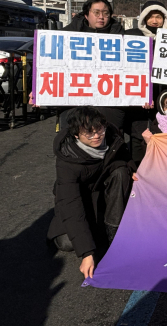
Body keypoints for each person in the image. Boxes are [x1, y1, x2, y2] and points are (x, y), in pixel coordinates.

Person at [46, 106, 138, 279]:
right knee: (66, 242)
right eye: (89, 133)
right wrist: (87, 253)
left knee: (121, 172)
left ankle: (115, 234)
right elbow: (71, 204)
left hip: (102, 194)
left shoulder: (110, 133)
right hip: (80, 200)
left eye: (99, 130)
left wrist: (130, 168)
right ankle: (91, 230)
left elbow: (122, 154)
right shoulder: (67, 159)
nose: (96, 136)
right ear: (76, 135)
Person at [60, 0, 126, 131]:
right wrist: (36, 89)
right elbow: (47, 64)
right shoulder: (66, 35)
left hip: (109, 101)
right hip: (76, 99)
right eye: (96, 13)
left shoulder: (122, 38)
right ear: (86, 15)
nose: (101, 17)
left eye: (105, 13)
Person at [125, 1, 167, 161]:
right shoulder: (133, 36)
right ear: (144, 18)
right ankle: (136, 174)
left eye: (158, 16)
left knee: (161, 135)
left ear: (164, 18)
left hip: (163, 94)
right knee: (137, 136)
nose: (154, 20)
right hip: (137, 95)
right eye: (150, 16)